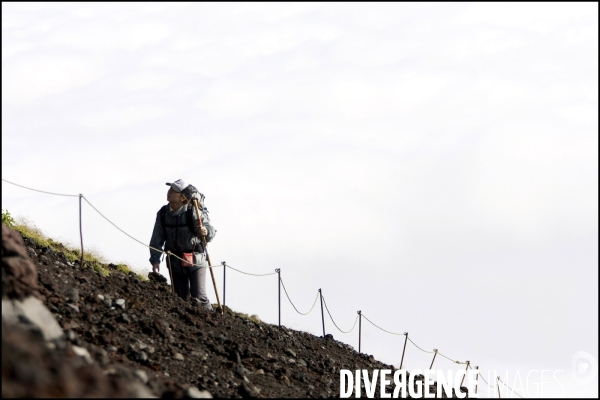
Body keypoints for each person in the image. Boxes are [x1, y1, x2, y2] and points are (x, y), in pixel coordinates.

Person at [149, 179, 216, 310]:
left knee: (199, 299)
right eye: (170, 189)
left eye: (174, 191)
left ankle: (212, 321)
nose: (169, 192)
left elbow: (210, 232)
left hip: (196, 261)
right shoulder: (163, 213)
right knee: (180, 298)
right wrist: (155, 260)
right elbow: (157, 238)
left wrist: (205, 231)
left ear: (183, 197)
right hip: (174, 262)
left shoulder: (194, 211)